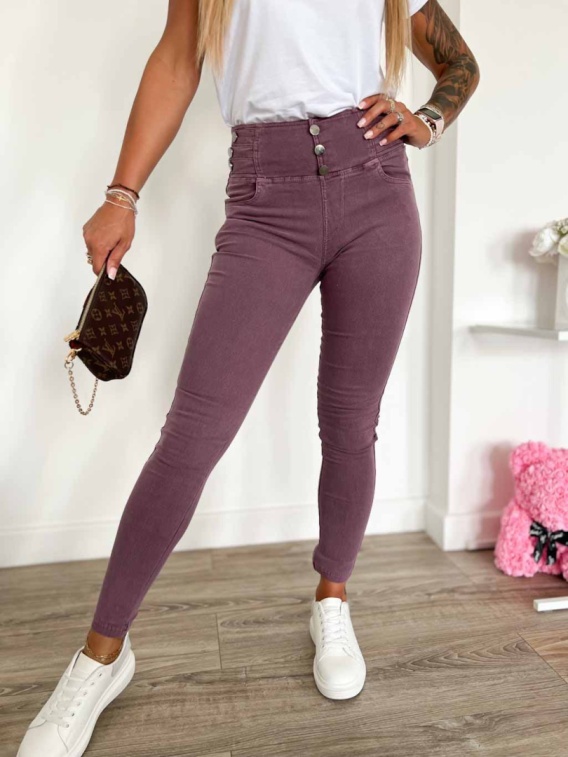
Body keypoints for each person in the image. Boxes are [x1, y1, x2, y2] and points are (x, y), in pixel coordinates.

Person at [17, 0, 479, 754]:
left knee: (350, 422)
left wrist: (427, 118)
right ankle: (100, 657)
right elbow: (177, 60)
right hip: (267, 203)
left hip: (377, 190)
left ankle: (332, 599)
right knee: (191, 438)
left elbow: (460, 62)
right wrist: (121, 193)